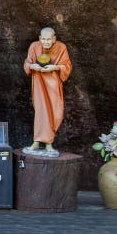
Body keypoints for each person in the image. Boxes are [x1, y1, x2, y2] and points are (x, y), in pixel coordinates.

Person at [23, 27, 72, 155]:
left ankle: (48, 141)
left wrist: (54, 67)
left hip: (54, 84)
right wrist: (33, 66)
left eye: (48, 39)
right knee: (41, 111)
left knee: (55, 112)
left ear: (54, 39)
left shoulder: (61, 47)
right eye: (43, 39)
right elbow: (27, 63)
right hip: (39, 82)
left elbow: (67, 65)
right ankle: (40, 143)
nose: (46, 42)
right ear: (40, 38)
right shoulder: (34, 46)